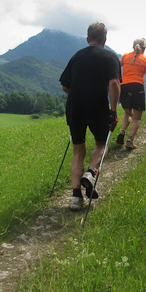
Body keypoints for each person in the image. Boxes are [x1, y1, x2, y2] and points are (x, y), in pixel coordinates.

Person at [59, 22, 121, 211]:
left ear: (88, 39)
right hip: (97, 106)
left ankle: (76, 197)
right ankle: (91, 172)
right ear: (104, 39)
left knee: (78, 151)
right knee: (102, 143)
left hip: (74, 106)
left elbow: (65, 86)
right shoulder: (110, 57)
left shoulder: (77, 56)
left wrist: (79, 94)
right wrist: (113, 110)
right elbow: (114, 84)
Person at [116, 38, 146, 150]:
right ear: (144, 48)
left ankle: (122, 131)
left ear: (133, 46)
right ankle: (130, 140)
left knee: (128, 113)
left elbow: (115, 66)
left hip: (124, 86)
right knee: (137, 118)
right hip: (138, 87)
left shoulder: (125, 56)